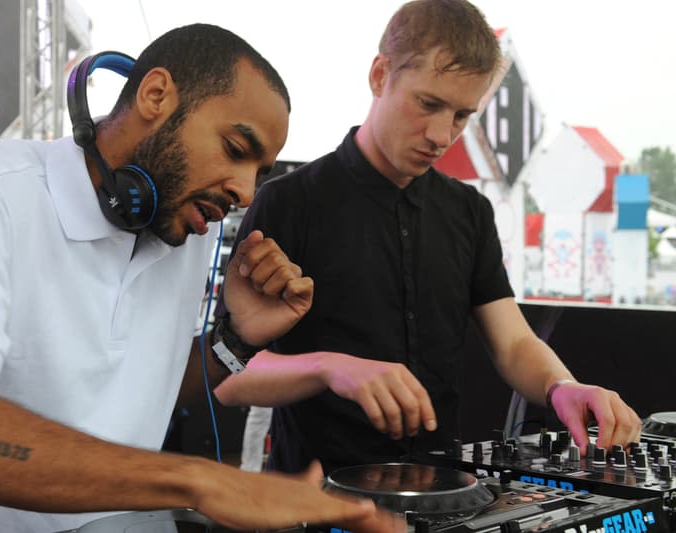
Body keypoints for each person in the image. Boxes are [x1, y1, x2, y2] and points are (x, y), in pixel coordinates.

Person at [0, 23, 403, 533]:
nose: (245, 191)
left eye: (259, 173)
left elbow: (143, 393)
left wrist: (236, 338)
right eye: (236, 150)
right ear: (155, 95)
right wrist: (202, 482)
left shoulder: (184, 237)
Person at [213, 0, 642, 477]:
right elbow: (229, 378)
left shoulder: (469, 211)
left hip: (444, 494)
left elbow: (513, 344)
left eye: (461, 115)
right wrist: (331, 367)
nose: (441, 135)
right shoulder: (290, 202)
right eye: (429, 104)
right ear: (380, 75)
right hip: (314, 496)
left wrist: (562, 386)